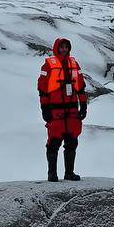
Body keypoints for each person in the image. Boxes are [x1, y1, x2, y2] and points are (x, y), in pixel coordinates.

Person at [37, 37, 88, 181]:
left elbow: (81, 87)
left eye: (66, 47)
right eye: (62, 47)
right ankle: (52, 173)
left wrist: (83, 105)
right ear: (57, 48)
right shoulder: (47, 66)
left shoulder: (74, 64)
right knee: (54, 142)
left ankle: (69, 173)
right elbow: (42, 89)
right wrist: (44, 108)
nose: (64, 49)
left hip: (72, 111)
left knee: (72, 142)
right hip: (55, 111)